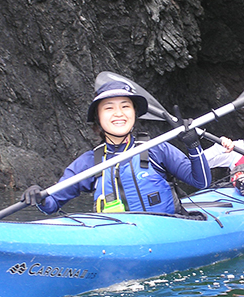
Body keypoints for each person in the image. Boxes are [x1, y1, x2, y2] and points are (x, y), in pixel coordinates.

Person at [21, 80, 211, 214]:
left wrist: (193, 145)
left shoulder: (156, 148)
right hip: (116, 241)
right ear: (98, 117)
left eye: (125, 106)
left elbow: (201, 182)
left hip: (164, 235)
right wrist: (40, 196)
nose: (118, 114)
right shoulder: (89, 162)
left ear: (134, 114)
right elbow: (53, 203)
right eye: (109, 108)